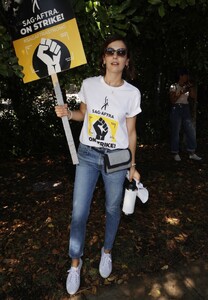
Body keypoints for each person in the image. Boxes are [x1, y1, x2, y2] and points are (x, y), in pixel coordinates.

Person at [55, 35, 142, 295]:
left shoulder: (132, 93)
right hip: (88, 154)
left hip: (116, 159)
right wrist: (69, 114)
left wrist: (132, 165)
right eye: (110, 51)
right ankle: (75, 262)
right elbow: (84, 114)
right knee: (79, 210)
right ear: (103, 57)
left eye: (121, 52)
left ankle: (107, 251)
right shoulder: (89, 85)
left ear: (126, 61)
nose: (116, 55)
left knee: (112, 208)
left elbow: (132, 133)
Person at [169, 68, 202, 161]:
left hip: (185, 108)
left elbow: (194, 97)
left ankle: (192, 152)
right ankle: (175, 152)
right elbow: (172, 100)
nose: (187, 77)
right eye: (185, 75)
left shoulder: (188, 86)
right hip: (176, 108)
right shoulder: (173, 86)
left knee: (190, 130)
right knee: (176, 131)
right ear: (181, 76)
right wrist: (181, 91)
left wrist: (190, 88)